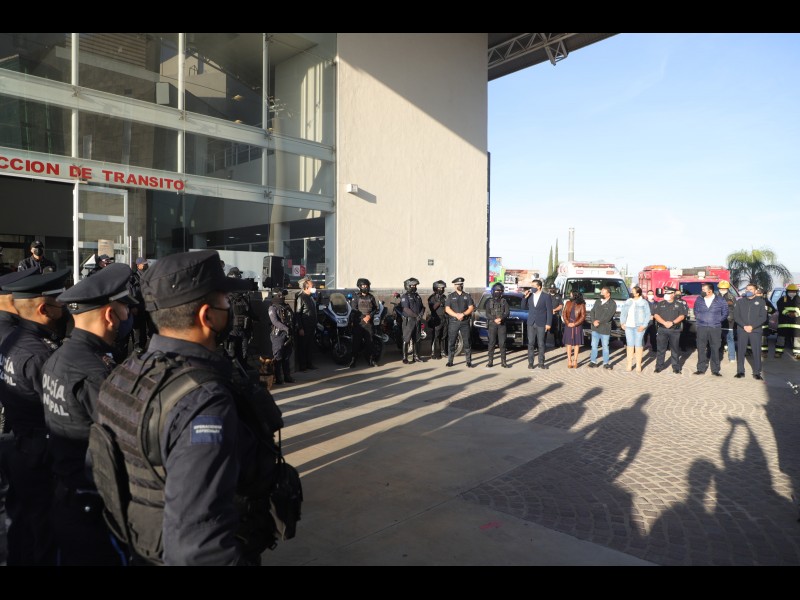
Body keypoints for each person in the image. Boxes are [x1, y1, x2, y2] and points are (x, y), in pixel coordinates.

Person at [93, 249, 279, 565]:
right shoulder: (204, 401)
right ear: (207, 316)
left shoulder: (123, 374)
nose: (229, 308)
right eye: (225, 301)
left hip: (137, 544)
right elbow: (199, 546)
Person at [40, 263, 137, 565]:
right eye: (125, 309)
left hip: (67, 497)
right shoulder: (95, 373)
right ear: (110, 315)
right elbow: (125, 444)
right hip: (94, 509)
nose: (127, 316)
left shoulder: (59, 357)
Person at [0, 267, 71, 565]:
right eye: (61, 304)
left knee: (21, 522)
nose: (65, 310)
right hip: (40, 454)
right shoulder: (40, 354)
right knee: (44, 532)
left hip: (19, 445)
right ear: (45, 309)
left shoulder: (13, 340)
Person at [224, 267, 259, 367]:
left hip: (244, 328)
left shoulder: (244, 296)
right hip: (232, 329)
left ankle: (243, 367)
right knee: (231, 351)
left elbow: (250, 311)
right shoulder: (227, 295)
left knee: (244, 351)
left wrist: (256, 319)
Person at [692, 282, 728, 377]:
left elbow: (725, 312)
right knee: (701, 348)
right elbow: (695, 310)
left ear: (710, 291)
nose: (702, 291)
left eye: (703, 290)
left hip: (715, 327)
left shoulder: (720, 300)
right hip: (702, 327)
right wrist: (699, 318)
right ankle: (700, 369)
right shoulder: (699, 299)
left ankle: (715, 370)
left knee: (715, 348)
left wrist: (718, 320)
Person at [733, 283, 768, 380]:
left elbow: (763, 317)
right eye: (747, 289)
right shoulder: (740, 302)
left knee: (756, 351)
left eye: (751, 289)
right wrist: (744, 326)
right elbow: (736, 316)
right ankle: (740, 371)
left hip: (755, 330)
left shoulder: (761, 302)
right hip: (742, 329)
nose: (748, 291)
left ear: (755, 291)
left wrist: (752, 326)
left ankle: (757, 372)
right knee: (741, 351)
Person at [652, 286, 688, 374]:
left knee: (675, 349)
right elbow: (656, 315)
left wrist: (672, 323)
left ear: (673, 294)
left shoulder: (679, 304)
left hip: (674, 330)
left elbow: (682, 316)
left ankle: (676, 367)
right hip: (662, 329)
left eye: (668, 293)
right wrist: (664, 323)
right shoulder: (660, 304)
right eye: (665, 293)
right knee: (661, 349)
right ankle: (659, 366)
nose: (666, 294)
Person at [521, 279, 553, 369]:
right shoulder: (530, 296)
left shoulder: (546, 296)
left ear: (539, 287)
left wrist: (548, 323)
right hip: (531, 323)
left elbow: (549, 311)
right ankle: (530, 362)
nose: (532, 288)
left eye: (534, 286)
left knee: (541, 343)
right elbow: (523, 307)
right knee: (530, 343)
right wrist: (525, 297)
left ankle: (541, 362)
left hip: (541, 323)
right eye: (531, 286)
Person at [619, 285, 651, 373]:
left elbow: (648, 315)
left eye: (633, 292)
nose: (631, 293)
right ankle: (629, 364)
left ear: (637, 294)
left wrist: (644, 325)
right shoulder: (628, 301)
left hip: (639, 326)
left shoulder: (644, 302)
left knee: (638, 344)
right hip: (628, 326)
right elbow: (623, 312)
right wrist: (622, 323)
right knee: (629, 345)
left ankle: (638, 364)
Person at [445, 276, 475, 367]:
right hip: (453, 322)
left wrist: (463, 314)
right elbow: (447, 309)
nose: (460, 286)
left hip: (464, 322)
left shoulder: (467, 296)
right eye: (458, 284)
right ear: (454, 285)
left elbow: (471, 308)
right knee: (452, 342)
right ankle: (450, 361)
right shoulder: (450, 296)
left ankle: (468, 361)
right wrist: (456, 315)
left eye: (461, 284)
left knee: (467, 342)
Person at [349, 277, 379, 368]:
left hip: (368, 323)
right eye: (363, 286)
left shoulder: (371, 297)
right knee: (356, 343)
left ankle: (371, 360)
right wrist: (363, 317)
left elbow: (375, 309)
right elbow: (354, 310)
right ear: (360, 286)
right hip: (359, 323)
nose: (365, 287)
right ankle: (353, 360)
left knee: (370, 342)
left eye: (366, 286)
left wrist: (369, 316)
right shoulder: (356, 297)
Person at [269, 287, 295, 384]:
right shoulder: (272, 308)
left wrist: (293, 328)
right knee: (278, 357)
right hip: (278, 335)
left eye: (284, 296)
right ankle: (278, 378)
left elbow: (293, 318)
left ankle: (287, 377)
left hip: (288, 334)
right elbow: (275, 321)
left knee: (287, 356)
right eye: (281, 296)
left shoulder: (286, 306)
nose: (283, 297)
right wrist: (286, 328)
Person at [586, 286, 617, 369]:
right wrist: (593, 321)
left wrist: (598, 322)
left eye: (603, 292)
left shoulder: (612, 304)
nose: (601, 293)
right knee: (594, 345)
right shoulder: (598, 301)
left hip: (605, 328)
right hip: (595, 328)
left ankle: (606, 363)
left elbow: (608, 316)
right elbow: (592, 311)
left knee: (605, 346)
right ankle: (593, 361)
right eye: (601, 292)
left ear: (608, 294)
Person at [131, 257, 155, 354]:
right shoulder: (133, 277)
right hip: (138, 307)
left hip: (149, 306)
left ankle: (151, 349)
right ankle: (139, 349)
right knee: (140, 331)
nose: (146, 265)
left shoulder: (149, 275)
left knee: (152, 329)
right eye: (144, 264)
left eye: (146, 263)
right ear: (138, 265)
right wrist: (133, 306)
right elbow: (131, 292)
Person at [294, 276, 318, 371]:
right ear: (306, 287)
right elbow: (298, 314)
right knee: (303, 346)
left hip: (312, 325)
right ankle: (302, 366)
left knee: (310, 346)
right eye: (312, 286)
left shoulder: (311, 297)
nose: (314, 288)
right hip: (305, 326)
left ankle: (309, 364)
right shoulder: (301, 298)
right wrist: (300, 328)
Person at [484, 282, 511, 368]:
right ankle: (490, 361)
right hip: (492, 324)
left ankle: (503, 362)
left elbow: (507, 312)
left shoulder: (504, 301)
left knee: (502, 343)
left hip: (502, 325)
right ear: (493, 291)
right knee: (491, 343)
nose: (498, 292)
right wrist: (494, 319)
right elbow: (487, 313)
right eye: (497, 291)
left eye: (500, 291)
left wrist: (501, 318)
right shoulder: (489, 301)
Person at [400, 277, 424, 364]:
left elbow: (422, 307)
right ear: (408, 286)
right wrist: (416, 316)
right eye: (412, 285)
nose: (414, 287)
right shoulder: (405, 296)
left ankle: (416, 356)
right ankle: (405, 357)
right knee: (406, 339)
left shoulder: (417, 296)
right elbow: (406, 309)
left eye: (415, 285)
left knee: (417, 339)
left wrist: (420, 315)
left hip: (417, 320)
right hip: (409, 321)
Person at [562, 290, 586, 368]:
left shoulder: (581, 304)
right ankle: (569, 360)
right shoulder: (568, 303)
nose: (570, 296)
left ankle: (575, 360)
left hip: (577, 326)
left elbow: (583, 316)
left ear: (575, 295)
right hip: (568, 325)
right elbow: (564, 313)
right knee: (568, 343)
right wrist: (567, 322)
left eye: (571, 294)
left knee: (576, 344)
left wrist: (575, 324)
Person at [776, 283, 800, 359]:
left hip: (796, 324)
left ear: (796, 292)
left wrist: (795, 314)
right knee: (781, 338)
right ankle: (778, 352)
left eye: (794, 291)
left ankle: (797, 353)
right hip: (784, 323)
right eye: (790, 291)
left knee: (797, 339)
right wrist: (788, 313)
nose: (792, 292)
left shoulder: (799, 299)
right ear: (787, 291)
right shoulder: (782, 299)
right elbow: (780, 308)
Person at [427, 280, 448, 360]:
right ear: (435, 288)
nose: (441, 289)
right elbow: (432, 308)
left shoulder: (444, 297)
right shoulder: (432, 298)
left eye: (442, 288)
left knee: (444, 336)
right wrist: (439, 302)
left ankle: (443, 351)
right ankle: (434, 353)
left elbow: (447, 307)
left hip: (444, 318)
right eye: (439, 288)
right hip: (436, 319)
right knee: (436, 336)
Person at [718, 280, 737, 364]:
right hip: (717, 322)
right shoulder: (715, 296)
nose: (722, 290)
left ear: (727, 288)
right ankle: (716, 356)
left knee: (730, 339)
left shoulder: (731, 297)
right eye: (721, 288)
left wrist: (731, 318)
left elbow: (733, 309)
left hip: (729, 322)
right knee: (717, 340)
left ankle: (732, 357)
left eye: (724, 288)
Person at [756, 286, 776, 356]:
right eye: (756, 293)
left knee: (763, 338)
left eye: (759, 293)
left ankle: (764, 352)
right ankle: (749, 350)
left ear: (762, 294)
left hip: (763, 324)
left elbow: (773, 311)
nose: (757, 294)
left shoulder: (766, 302)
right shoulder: (750, 301)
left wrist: (767, 308)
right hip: (753, 323)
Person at [548, 284, 564, 349]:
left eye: (553, 289)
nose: (552, 290)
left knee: (557, 330)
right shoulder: (547, 296)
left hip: (556, 315)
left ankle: (558, 343)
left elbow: (561, 305)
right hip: (548, 315)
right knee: (546, 329)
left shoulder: (558, 296)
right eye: (551, 289)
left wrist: (554, 310)